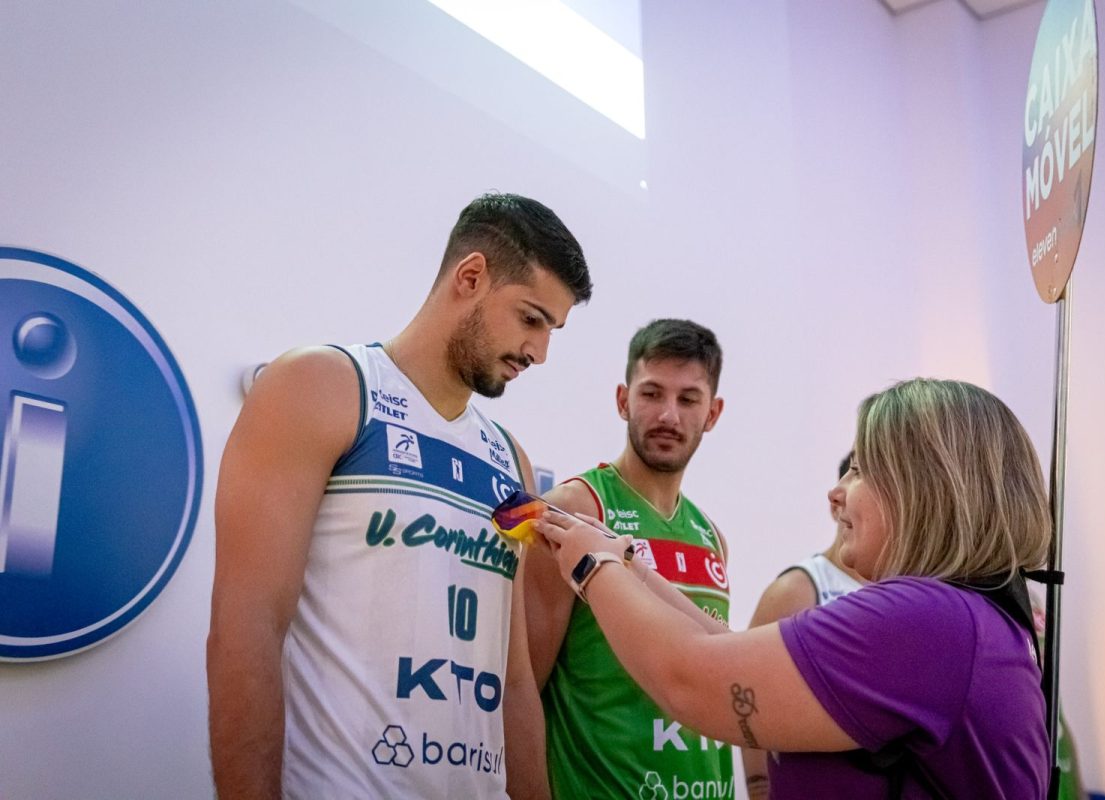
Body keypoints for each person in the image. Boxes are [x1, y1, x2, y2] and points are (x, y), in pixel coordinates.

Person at [207, 193, 592, 799]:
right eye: (531, 318)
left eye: (552, 330)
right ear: (471, 277)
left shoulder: (510, 459)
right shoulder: (320, 386)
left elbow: (513, 678)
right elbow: (247, 628)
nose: (539, 352)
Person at [535, 378, 1052, 798]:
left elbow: (692, 678)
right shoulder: (963, 620)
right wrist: (629, 564)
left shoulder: (930, 620)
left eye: (861, 470)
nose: (836, 492)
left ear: (925, 489)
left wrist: (593, 569)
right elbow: (726, 653)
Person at [523, 319, 733, 799]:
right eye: (652, 394)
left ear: (713, 412)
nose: (668, 416)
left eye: (688, 399)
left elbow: (714, 668)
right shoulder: (576, 509)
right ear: (623, 400)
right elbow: (522, 687)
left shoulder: (712, 536)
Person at [741, 453, 865, 799]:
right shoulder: (799, 587)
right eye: (852, 475)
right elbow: (746, 692)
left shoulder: (912, 592)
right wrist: (759, 788)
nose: (838, 492)